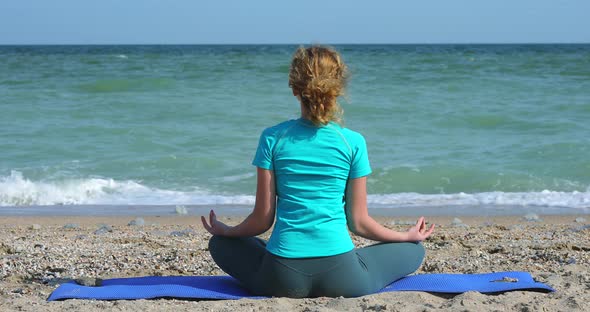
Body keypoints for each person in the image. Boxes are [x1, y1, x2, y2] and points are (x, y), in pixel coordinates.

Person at [201, 45, 435, 298]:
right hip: (344, 278)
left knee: (220, 244)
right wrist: (405, 235)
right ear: (339, 88)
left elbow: (262, 220)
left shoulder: (273, 138)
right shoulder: (353, 142)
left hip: (281, 278)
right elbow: (359, 223)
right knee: (414, 250)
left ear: (294, 88)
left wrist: (227, 231)